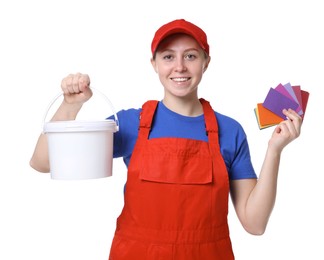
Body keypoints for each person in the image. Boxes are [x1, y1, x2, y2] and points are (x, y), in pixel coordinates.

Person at [30, 19, 303, 260]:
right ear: (154, 64)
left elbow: (254, 224)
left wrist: (275, 151)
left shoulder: (229, 130)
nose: (180, 67)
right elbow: (43, 161)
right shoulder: (129, 124)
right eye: (168, 57)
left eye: (191, 56)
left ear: (206, 62)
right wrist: (70, 105)